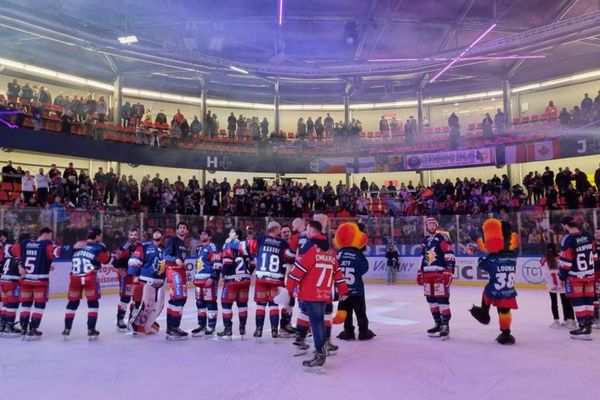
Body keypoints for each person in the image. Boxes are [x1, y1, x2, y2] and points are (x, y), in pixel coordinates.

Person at [285, 220, 349, 372]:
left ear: (311, 231)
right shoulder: (332, 252)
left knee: (316, 324)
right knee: (319, 322)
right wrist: (343, 291)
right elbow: (338, 274)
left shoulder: (311, 250)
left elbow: (297, 272)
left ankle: (319, 355)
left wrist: (289, 290)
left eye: (307, 229)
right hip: (325, 293)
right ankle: (320, 349)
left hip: (311, 294)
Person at [469, 218, 519, 345]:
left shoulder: (492, 259)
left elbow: (483, 264)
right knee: (504, 312)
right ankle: (506, 332)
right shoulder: (513, 256)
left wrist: (480, 257)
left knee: (486, 293)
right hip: (508, 291)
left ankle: (484, 314)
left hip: (495, 290)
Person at [245, 221, 293, 340]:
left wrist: (254, 259)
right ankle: (274, 331)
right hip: (276, 279)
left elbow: (248, 248)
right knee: (273, 305)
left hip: (261, 277)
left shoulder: (260, 239)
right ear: (276, 230)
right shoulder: (282, 243)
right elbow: (290, 257)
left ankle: (259, 330)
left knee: (260, 305)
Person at [61, 228, 111, 340]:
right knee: (93, 303)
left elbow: (63, 253)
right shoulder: (98, 247)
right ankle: (91, 330)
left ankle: (67, 329)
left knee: (72, 303)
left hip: (75, 278)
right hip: (89, 278)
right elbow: (107, 260)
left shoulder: (77, 245)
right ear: (97, 236)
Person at [335, 222, 375, 341]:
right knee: (360, 312)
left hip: (343, 291)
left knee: (346, 312)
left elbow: (334, 269)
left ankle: (348, 332)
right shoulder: (357, 254)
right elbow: (365, 268)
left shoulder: (339, 254)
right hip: (357, 290)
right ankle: (363, 332)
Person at [417, 217, 455, 340]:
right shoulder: (425, 240)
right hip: (428, 275)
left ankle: (445, 325)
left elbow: (449, 254)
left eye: (433, 224)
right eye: (429, 224)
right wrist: (420, 271)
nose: (431, 226)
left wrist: (449, 271)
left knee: (442, 300)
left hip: (439, 274)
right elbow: (424, 258)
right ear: (426, 227)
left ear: (437, 225)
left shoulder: (442, 238)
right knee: (431, 300)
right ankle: (438, 323)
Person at [558, 216, 596, 340]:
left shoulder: (568, 240)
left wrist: (562, 276)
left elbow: (566, 263)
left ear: (565, 226)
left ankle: (583, 328)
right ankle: (588, 325)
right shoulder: (588, 235)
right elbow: (595, 256)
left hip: (575, 277)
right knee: (588, 300)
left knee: (578, 301)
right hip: (590, 275)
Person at [19, 227, 57, 340]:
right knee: (39, 306)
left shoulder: (26, 243)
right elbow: (56, 252)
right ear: (45, 234)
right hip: (40, 281)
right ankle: (33, 329)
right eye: (50, 235)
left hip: (26, 280)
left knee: (25, 305)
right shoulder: (47, 244)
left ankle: (23, 328)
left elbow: (21, 257)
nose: (51, 238)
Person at [127, 229, 165, 336]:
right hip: (146, 281)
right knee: (145, 305)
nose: (157, 234)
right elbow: (135, 260)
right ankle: (136, 324)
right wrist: (134, 276)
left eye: (159, 232)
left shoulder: (164, 249)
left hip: (160, 282)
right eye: (155, 232)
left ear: (162, 236)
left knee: (158, 306)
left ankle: (147, 324)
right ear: (152, 235)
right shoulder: (144, 246)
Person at [218, 228, 252, 339]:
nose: (229, 233)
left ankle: (228, 330)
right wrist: (248, 274)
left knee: (226, 304)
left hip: (232, 280)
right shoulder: (246, 246)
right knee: (242, 305)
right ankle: (242, 328)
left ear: (236, 235)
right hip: (245, 280)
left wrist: (222, 275)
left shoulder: (229, 244)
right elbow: (253, 262)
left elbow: (227, 262)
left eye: (231, 232)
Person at [191, 229, 221, 338]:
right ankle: (202, 325)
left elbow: (217, 263)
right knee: (200, 303)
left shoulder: (212, 247)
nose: (202, 235)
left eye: (204, 234)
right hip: (199, 281)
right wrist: (195, 277)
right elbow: (198, 265)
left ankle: (211, 327)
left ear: (210, 236)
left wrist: (213, 277)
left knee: (210, 302)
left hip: (208, 279)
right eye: (201, 234)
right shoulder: (199, 248)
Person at [0, 233, 30, 337]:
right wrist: (23, 269)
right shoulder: (18, 258)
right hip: (13, 283)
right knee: (13, 305)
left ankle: (2, 325)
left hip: (3, 282)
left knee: (5, 304)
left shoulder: (6, 259)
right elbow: (20, 267)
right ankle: (9, 326)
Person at [113, 228, 143, 331]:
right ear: (128, 235)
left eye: (135, 234)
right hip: (127, 277)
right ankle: (120, 320)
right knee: (125, 298)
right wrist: (120, 269)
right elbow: (115, 260)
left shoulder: (141, 246)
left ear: (138, 235)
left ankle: (132, 320)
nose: (133, 236)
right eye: (131, 234)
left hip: (137, 276)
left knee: (136, 299)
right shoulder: (124, 247)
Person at [164, 222, 190, 340]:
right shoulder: (173, 240)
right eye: (180, 228)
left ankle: (171, 328)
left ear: (187, 231)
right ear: (177, 230)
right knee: (178, 298)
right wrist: (175, 260)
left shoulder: (183, 243)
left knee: (177, 299)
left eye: (184, 228)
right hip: (174, 272)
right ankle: (174, 327)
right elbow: (165, 255)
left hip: (180, 272)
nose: (182, 230)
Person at [541, 243, 575, 329]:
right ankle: (569, 320)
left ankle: (556, 321)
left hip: (552, 285)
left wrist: (550, 285)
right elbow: (567, 269)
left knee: (554, 303)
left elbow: (545, 275)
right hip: (563, 284)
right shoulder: (561, 257)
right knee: (566, 303)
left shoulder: (544, 260)